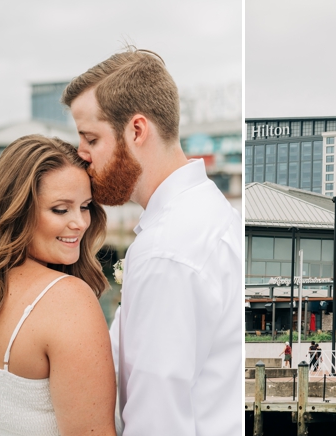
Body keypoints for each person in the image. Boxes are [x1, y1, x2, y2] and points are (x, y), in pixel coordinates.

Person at [63, 47, 243, 435]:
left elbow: (156, 421)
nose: (82, 155)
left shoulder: (167, 250)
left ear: (137, 130)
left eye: (91, 139)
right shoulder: (216, 217)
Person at [0, 135, 117, 435]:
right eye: (60, 209)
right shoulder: (68, 302)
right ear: (17, 210)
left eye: (86, 206)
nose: (80, 222)